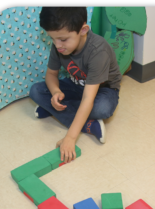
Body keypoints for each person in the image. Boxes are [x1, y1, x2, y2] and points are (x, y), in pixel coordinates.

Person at [29, 7, 122, 163]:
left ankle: (58, 111)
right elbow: (51, 75)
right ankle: (86, 123)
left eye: (63, 39)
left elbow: (88, 98)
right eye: (52, 39)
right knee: (36, 91)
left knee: (102, 108)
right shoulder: (59, 44)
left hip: (102, 90)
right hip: (75, 84)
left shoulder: (98, 51)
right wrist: (55, 91)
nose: (57, 45)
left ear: (83, 30)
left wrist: (71, 137)